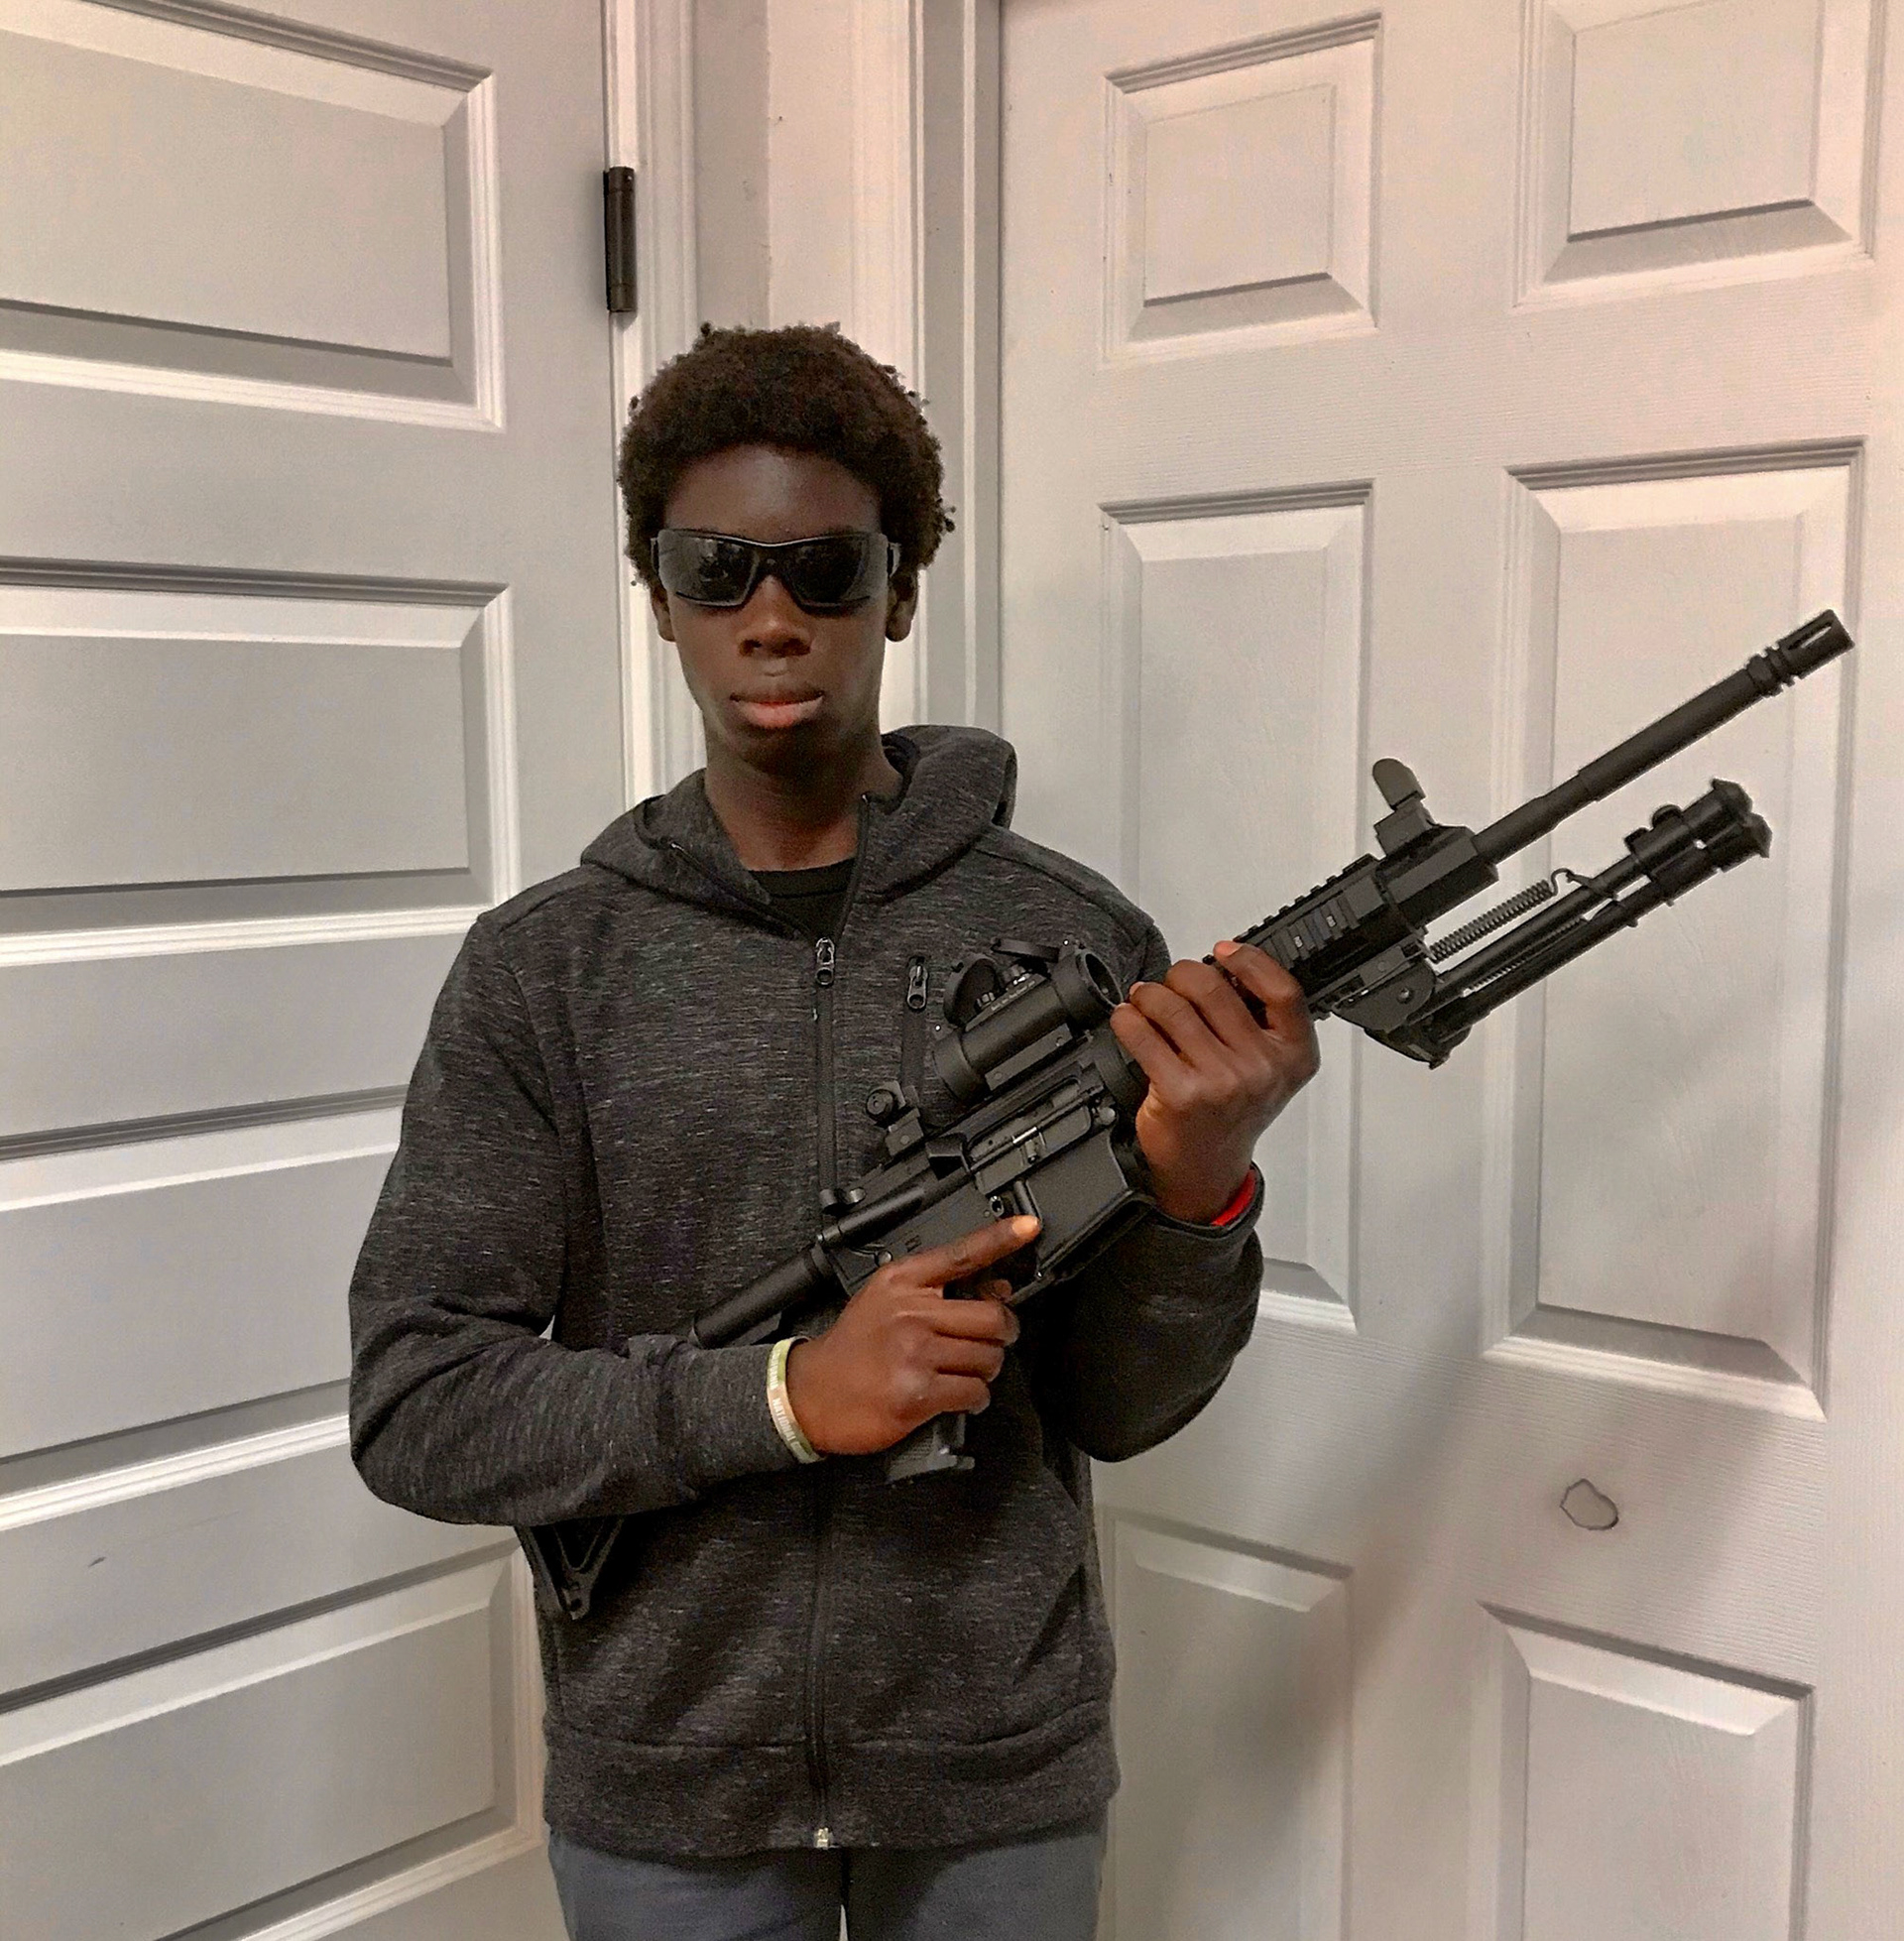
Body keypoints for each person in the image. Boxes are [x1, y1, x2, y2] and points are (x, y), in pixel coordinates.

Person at [347, 323, 1319, 1941]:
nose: (773, 613)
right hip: (673, 1791)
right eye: (716, 568)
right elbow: (420, 1402)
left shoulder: (1075, 940)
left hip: (995, 1774)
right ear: (658, 594)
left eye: (826, 566)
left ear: (901, 588)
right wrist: (786, 1395)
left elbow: (1121, 1408)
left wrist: (1198, 1193)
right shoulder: (546, 972)